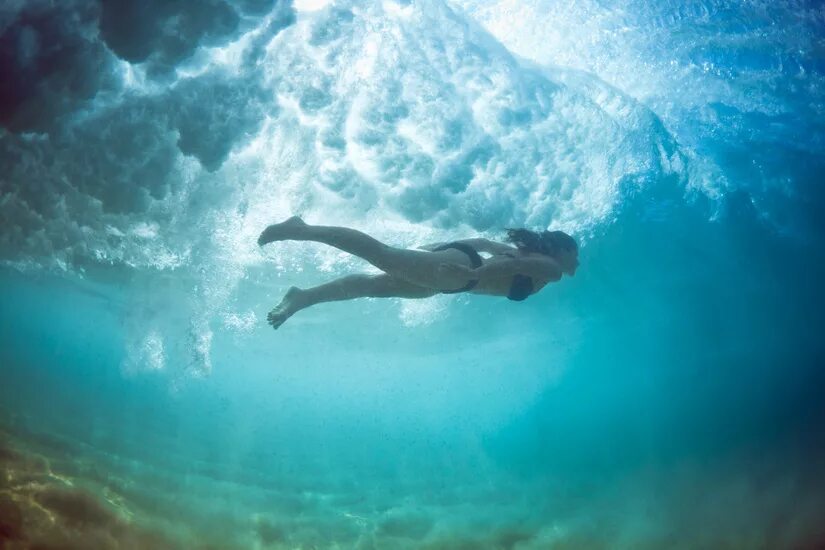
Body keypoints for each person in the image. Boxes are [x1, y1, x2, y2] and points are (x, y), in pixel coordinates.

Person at [258, 216, 579, 329]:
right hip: (460, 273)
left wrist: (449, 255)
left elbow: (483, 243)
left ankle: (303, 297)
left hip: (453, 277)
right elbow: (513, 266)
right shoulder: (550, 270)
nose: (576, 262)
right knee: (380, 255)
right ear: (560, 251)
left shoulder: (532, 256)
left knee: (372, 285)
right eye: (574, 254)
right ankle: (301, 229)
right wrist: (472, 273)